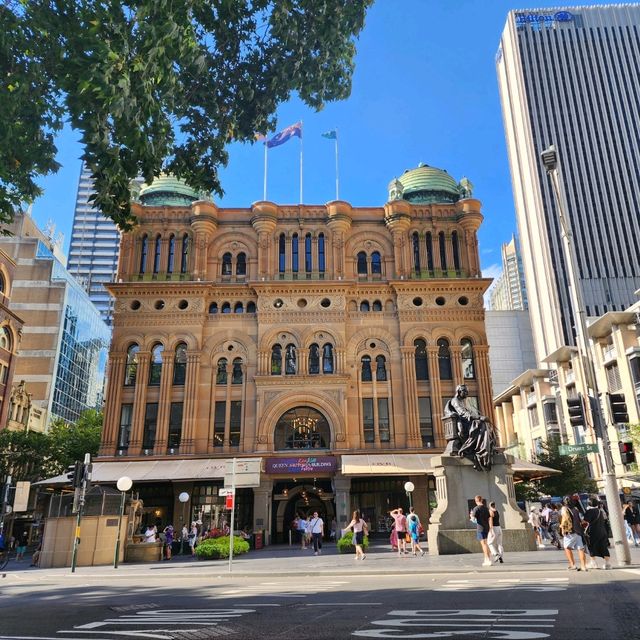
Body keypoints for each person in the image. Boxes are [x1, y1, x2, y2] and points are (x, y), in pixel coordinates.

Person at [560, 496, 588, 571]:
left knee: (567, 547)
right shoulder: (576, 509)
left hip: (570, 530)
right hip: (578, 530)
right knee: (580, 548)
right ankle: (583, 566)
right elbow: (579, 519)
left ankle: (572, 564)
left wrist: (562, 529)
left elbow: (565, 519)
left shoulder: (564, 508)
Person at [582, 496, 611, 569]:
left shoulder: (589, 511)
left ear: (589, 504)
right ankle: (607, 564)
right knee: (603, 546)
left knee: (592, 547)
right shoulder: (600, 511)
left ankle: (593, 563)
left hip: (593, 532)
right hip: (602, 531)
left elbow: (584, 522)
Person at [471, 495, 492, 566]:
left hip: (480, 528)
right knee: (486, 544)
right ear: (482, 500)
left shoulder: (476, 508)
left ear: (476, 500)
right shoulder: (486, 508)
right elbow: (489, 518)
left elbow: (473, 518)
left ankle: (487, 560)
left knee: (484, 544)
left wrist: (471, 517)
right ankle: (487, 559)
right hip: (487, 527)